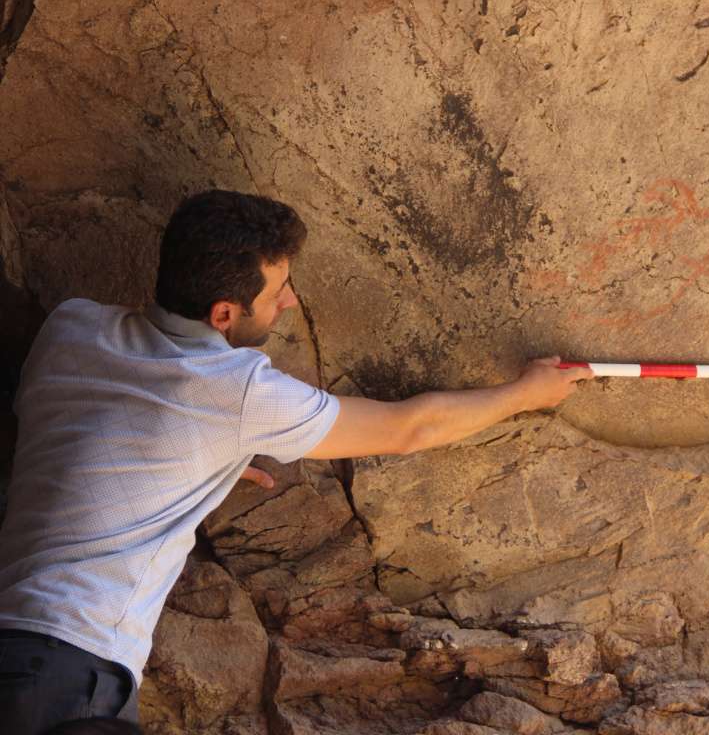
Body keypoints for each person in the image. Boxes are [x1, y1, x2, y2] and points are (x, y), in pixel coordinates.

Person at [0, 190, 593, 734]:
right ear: (224, 315)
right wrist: (526, 395)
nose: (289, 299)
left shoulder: (72, 325)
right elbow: (411, 426)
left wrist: (204, 459)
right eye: (276, 290)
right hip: (69, 671)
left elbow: (92, 432)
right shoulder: (236, 391)